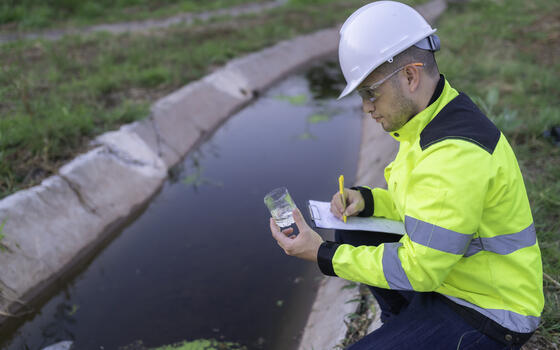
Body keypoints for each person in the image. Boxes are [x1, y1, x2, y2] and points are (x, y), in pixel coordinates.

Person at [269, 1, 544, 349]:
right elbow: (425, 206)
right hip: (454, 281)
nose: (367, 108)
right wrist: (367, 201)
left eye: (370, 93)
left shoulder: (453, 153)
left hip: (490, 311)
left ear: (410, 76)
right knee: (351, 227)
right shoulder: (430, 119)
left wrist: (322, 253)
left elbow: (420, 269)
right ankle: (405, 326)